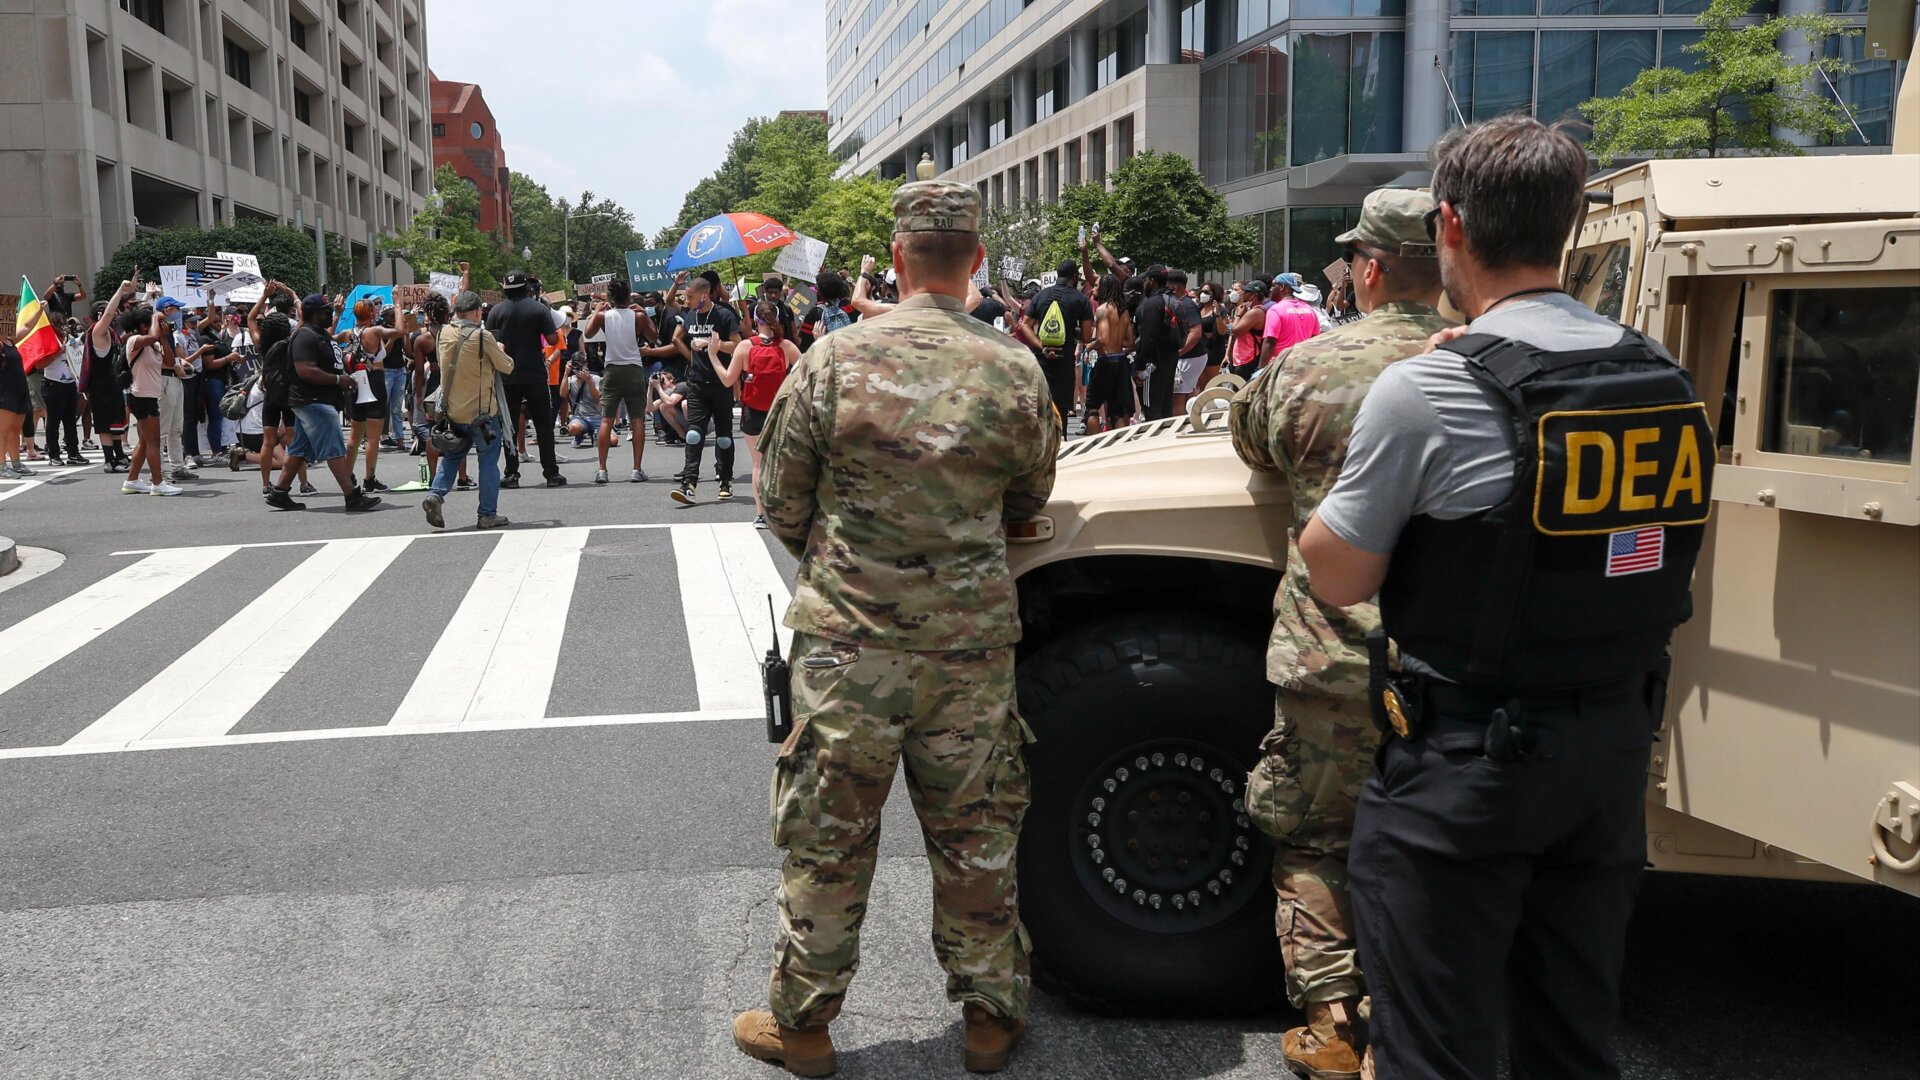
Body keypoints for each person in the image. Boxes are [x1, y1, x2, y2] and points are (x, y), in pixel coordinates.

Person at [1299, 117, 1715, 1080]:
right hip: (1611, 749)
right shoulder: (1663, 379)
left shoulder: (1429, 390)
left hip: (1468, 769)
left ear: (1449, 224)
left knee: (1432, 1047)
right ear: (1569, 223)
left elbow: (1338, 572)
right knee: (1569, 1037)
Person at [735, 179, 1059, 1077]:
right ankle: (991, 1017)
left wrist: (848, 564)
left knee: (828, 837)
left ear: (899, 253)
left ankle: (804, 1025)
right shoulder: (1014, 368)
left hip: (849, 648)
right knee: (977, 835)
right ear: (978, 260)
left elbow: (783, 500)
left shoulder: (836, 359)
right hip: (970, 649)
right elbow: (1031, 502)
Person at [1229, 187, 1454, 1080]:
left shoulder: (1311, 367)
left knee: (1317, 837)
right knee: (1441, 849)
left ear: (1368, 270)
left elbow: (1252, 444)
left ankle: (1332, 1023)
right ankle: (1411, 1025)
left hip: (1331, 654)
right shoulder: (1482, 360)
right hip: (1451, 664)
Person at [265, 294, 381, 512]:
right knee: (335, 449)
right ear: (316, 315)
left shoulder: (317, 334)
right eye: (326, 311)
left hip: (316, 399)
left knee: (299, 448)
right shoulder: (305, 336)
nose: (329, 313)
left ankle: (279, 492)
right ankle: (352, 495)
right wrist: (338, 379)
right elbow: (305, 369)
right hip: (312, 400)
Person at [421, 290, 513, 531]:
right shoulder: (482, 337)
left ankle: (436, 494)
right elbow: (507, 366)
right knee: (488, 462)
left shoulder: (444, 332)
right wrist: (499, 348)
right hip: (481, 414)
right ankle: (487, 514)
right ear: (475, 312)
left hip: (453, 411)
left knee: (453, 455)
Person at [706, 299, 800, 528]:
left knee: (757, 464)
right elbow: (809, 370)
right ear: (777, 319)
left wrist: (713, 355)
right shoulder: (786, 346)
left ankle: (760, 514)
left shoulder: (746, 346)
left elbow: (728, 379)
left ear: (755, 320)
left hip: (753, 412)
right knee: (782, 463)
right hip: (779, 410)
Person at [487, 269, 566, 489]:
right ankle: (551, 473)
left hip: (507, 376)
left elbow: (492, 343)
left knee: (509, 427)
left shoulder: (496, 311)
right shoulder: (539, 309)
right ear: (526, 288)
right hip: (535, 375)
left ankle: (511, 473)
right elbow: (552, 339)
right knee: (543, 425)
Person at [668, 274, 742, 504]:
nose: (687, 300)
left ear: (705, 296)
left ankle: (726, 480)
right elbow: (674, 326)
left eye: (690, 297)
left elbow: (738, 345)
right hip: (697, 383)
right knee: (693, 433)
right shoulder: (690, 316)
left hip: (720, 383)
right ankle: (689, 483)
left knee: (723, 438)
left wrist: (714, 345)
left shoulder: (723, 314)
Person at [582, 279, 650, 484]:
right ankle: (636, 469)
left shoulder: (604, 316)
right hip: (634, 368)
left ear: (610, 297)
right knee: (637, 419)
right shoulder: (637, 315)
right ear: (629, 295)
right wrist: (645, 314)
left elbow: (588, 333)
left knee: (606, 420)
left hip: (612, 368)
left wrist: (596, 312)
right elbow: (653, 335)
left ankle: (602, 469)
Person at [1020, 260, 1095, 425]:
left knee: (1040, 405)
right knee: (1060, 410)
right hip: (1065, 358)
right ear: (1074, 277)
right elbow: (1087, 335)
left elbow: (1025, 325)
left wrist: (1042, 346)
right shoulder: (1080, 299)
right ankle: (1061, 442)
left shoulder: (1041, 296)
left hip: (1042, 358)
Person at [118, 304, 181, 496]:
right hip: (141, 396)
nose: (162, 324)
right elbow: (152, 336)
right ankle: (158, 483)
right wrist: (156, 318)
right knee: (154, 441)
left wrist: (163, 336)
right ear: (143, 325)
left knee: (145, 442)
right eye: (156, 323)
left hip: (150, 396)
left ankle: (132, 480)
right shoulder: (134, 340)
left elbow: (170, 361)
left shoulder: (153, 344)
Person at [86, 283, 135, 474]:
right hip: (101, 385)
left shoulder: (111, 334)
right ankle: (110, 460)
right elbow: (108, 313)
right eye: (109, 312)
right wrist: (119, 291)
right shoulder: (97, 332)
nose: (114, 315)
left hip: (111, 384)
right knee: (105, 423)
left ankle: (118, 455)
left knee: (116, 422)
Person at [1087, 274, 1136, 434]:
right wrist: (1117, 341)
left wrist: (1090, 346)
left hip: (1106, 361)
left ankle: (1092, 447)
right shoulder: (1123, 311)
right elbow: (1130, 342)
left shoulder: (1102, 310)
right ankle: (1120, 446)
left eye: (1096, 285)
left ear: (1104, 288)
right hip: (1121, 362)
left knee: (1092, 408)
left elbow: (1103, 339)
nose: (1094, 288)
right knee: (1119, 409)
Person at [39, 318, 87, 466]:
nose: (63, 329)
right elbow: (39, 364)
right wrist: (56, 352)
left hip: (70, 384)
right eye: (58, 326)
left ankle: (73, 453)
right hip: (53, 384)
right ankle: (54, 455)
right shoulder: (47, 342)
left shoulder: (70, 340)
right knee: (53, 421)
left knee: (70, 421)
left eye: (63, 325)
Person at [1257, 273, 1322, 372]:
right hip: (1303, 366)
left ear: (1282, 287)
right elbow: (1315, 340)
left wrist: (1260, 369)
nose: (1270, 289)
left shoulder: (1275, 310)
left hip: (1280, 367)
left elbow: (1270, 341)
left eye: (1274, 285)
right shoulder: (1310, 310)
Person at [0, 339, 28, 480]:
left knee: (15, 431)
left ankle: (16, 463)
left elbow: (27, 326)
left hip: (19, 390)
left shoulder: (10, 340)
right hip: (5, 391)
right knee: (2, 431)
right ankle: (1, 466)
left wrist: (39, 314)